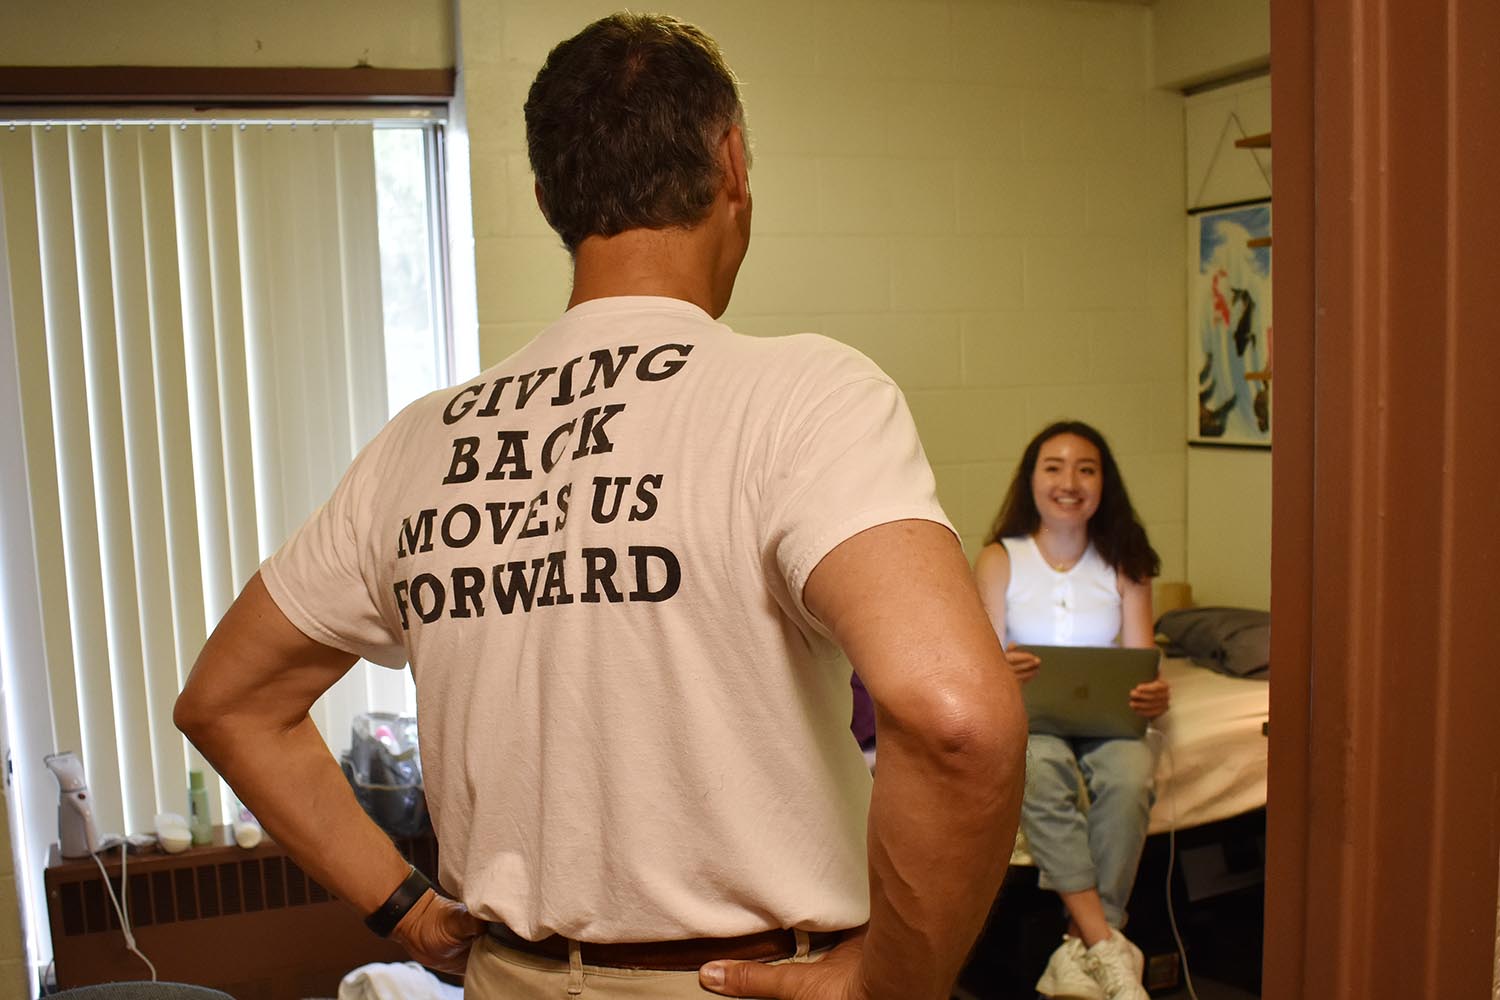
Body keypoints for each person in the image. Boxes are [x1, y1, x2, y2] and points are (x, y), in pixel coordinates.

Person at [174, 12, 1027, 1000]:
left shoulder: (419, 441)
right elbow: (958, 716)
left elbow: (227, 700)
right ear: (733, 162)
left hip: (509, 979)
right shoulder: (805, 395)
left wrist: (401, 904)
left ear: (548, 196)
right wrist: (891, 986)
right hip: (739, 981)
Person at [973, 421, 1170, 1000]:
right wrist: (1001, 669)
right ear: (1031, 479)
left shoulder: (1126, 561)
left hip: (1109, 720)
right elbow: (983, 662)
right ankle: (1107, 944)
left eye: (1086, 468)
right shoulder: (998, 558)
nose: (1069, 482)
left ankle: (1081, 944)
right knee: (1039, 771)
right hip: (1031, 716)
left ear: (1103, 482)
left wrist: (1154, 694)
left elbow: (1142, 665)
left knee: (1130, 777)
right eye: (1053, 467)